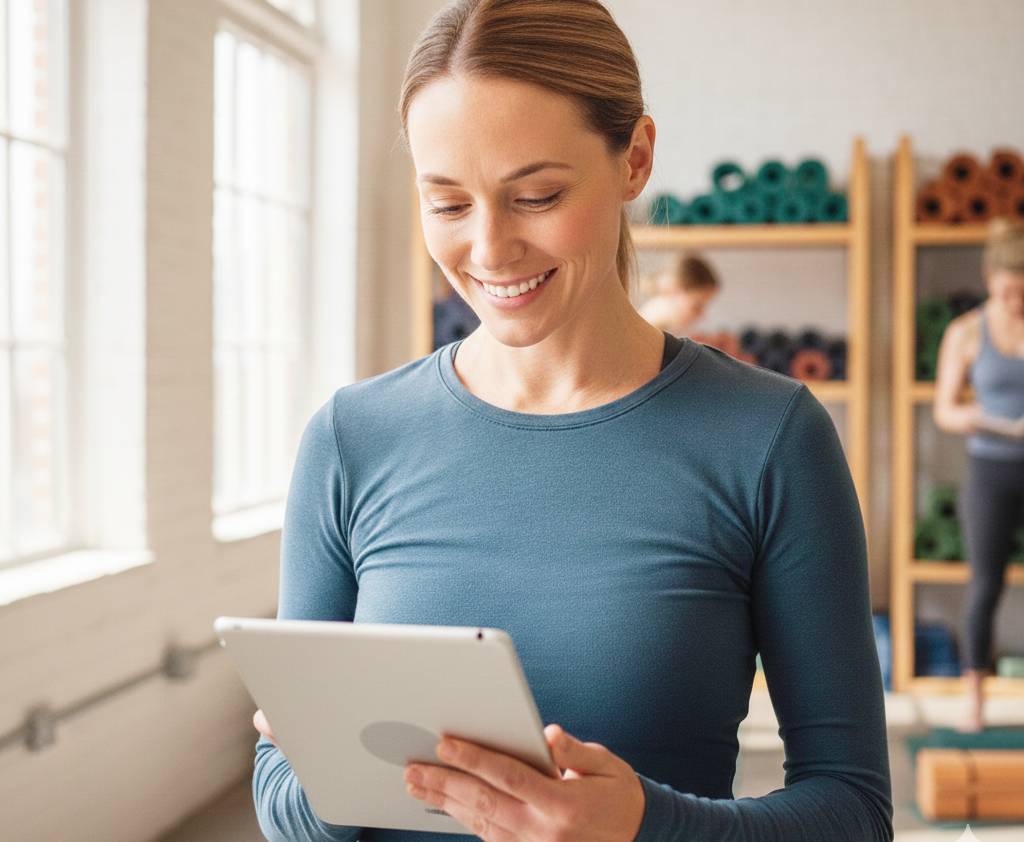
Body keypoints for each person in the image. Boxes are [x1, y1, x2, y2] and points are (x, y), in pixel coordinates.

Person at [252, 1, 893, 840]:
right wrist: (330, 782)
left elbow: (851, 810)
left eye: (537, 195)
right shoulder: (350, 441)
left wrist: (646, 826)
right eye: (447, 204)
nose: (488, 250)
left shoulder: (769, 441)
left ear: (635, 160)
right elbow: (279, 803)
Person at [933, 217, 1024, 733]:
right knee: (985, 583)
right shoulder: (966, 331)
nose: (1017, 302)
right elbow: (946, 409)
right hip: (992, 467)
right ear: (992, 280)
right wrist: (983, 419)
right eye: (1010, 291)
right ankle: (974, 699)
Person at [638, 252, 720, 335]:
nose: (702, 316)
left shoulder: (670, 330)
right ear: (672, 291)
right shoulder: (650, 332)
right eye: (697, 307)